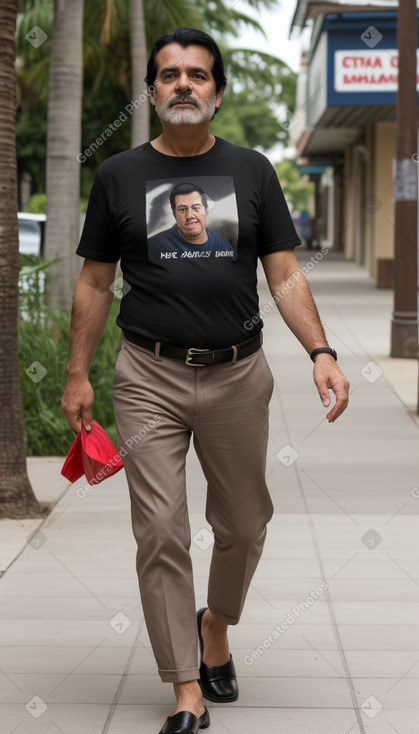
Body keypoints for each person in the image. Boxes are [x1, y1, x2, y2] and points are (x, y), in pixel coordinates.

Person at [62, 27, 349, 734]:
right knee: (160, 529)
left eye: (196, 74)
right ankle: (186, 689)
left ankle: (215, 623)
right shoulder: (119, 176)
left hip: (237, 375)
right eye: (168, 75)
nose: (182, 84)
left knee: (245, 524)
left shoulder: (251, 171)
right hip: (146, 375)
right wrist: (75, 375)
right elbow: (96, 282)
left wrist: (320, 349)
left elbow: (282, 274)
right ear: (153, 91)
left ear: (216, 93)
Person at [148, 182, 235, 261]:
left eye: (196, 208)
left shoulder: (223, 245)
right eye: (182, 209)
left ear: (206, 210)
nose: (190, 215)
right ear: (174, 213)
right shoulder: (154, 244)